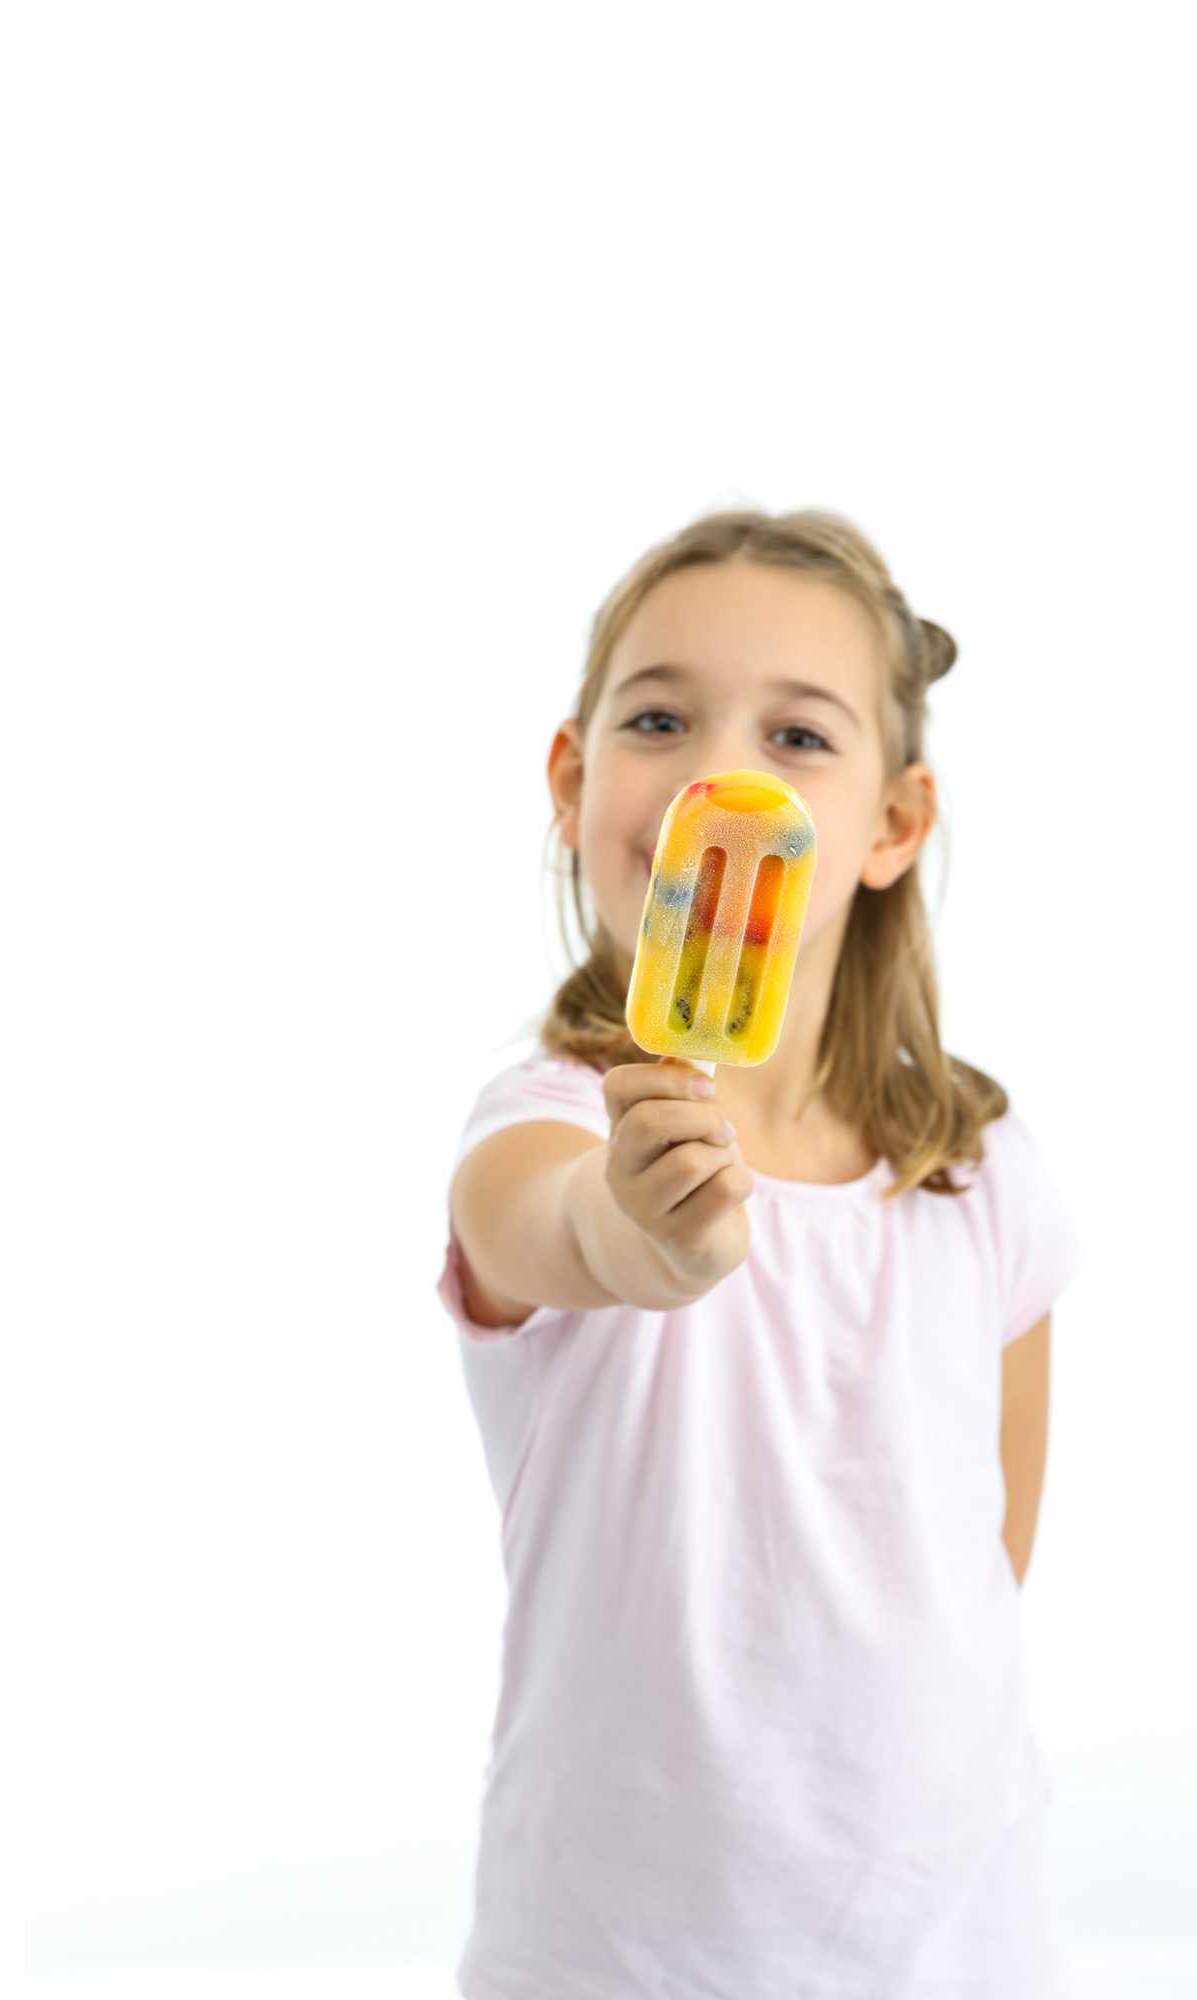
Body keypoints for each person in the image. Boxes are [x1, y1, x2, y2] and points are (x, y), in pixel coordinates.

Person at [439, 509, 1084, 1999]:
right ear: (573, 782)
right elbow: (556, 1225)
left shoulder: (983, 1175)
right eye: (659, 719)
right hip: (612, 1960)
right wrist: (646, 1231)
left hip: (957, 1946)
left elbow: (984, 1567)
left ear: (895, 825)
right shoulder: (545, 1126)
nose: (719, 777)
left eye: (797, 736)